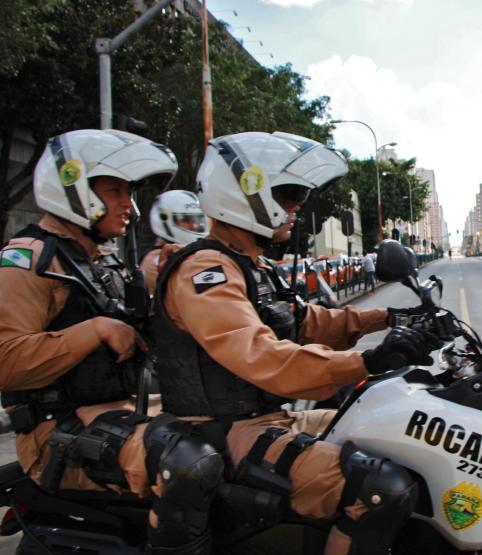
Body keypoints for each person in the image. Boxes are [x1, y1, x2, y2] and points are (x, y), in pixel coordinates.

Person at [152, 131, 436, 555]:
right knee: (381, 488)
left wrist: (392, 318)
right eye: (287, 194)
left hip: (268, 418)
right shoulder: (205, 269)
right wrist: (367, 361)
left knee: (401, 429)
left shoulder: (251, 266)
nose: (296, 206)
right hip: (225, 431)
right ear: (244, 194)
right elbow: (258, 354)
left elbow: (306, 321)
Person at [0, 129, 223, 554]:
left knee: (227, 435)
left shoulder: (100, 261)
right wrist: (93, 331)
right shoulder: (29, 262)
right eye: (116, 191)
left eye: (130, 192)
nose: (131, 207)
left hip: (115, 412)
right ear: (75, 190)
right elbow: (5, 361)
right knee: (186, 463)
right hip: (55, 433)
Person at [140, 189, 209, 292]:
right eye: (185, 219)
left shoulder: (187, 253)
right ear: (164, 218)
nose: (194, 225)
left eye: (197, 219)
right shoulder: (155, 261)